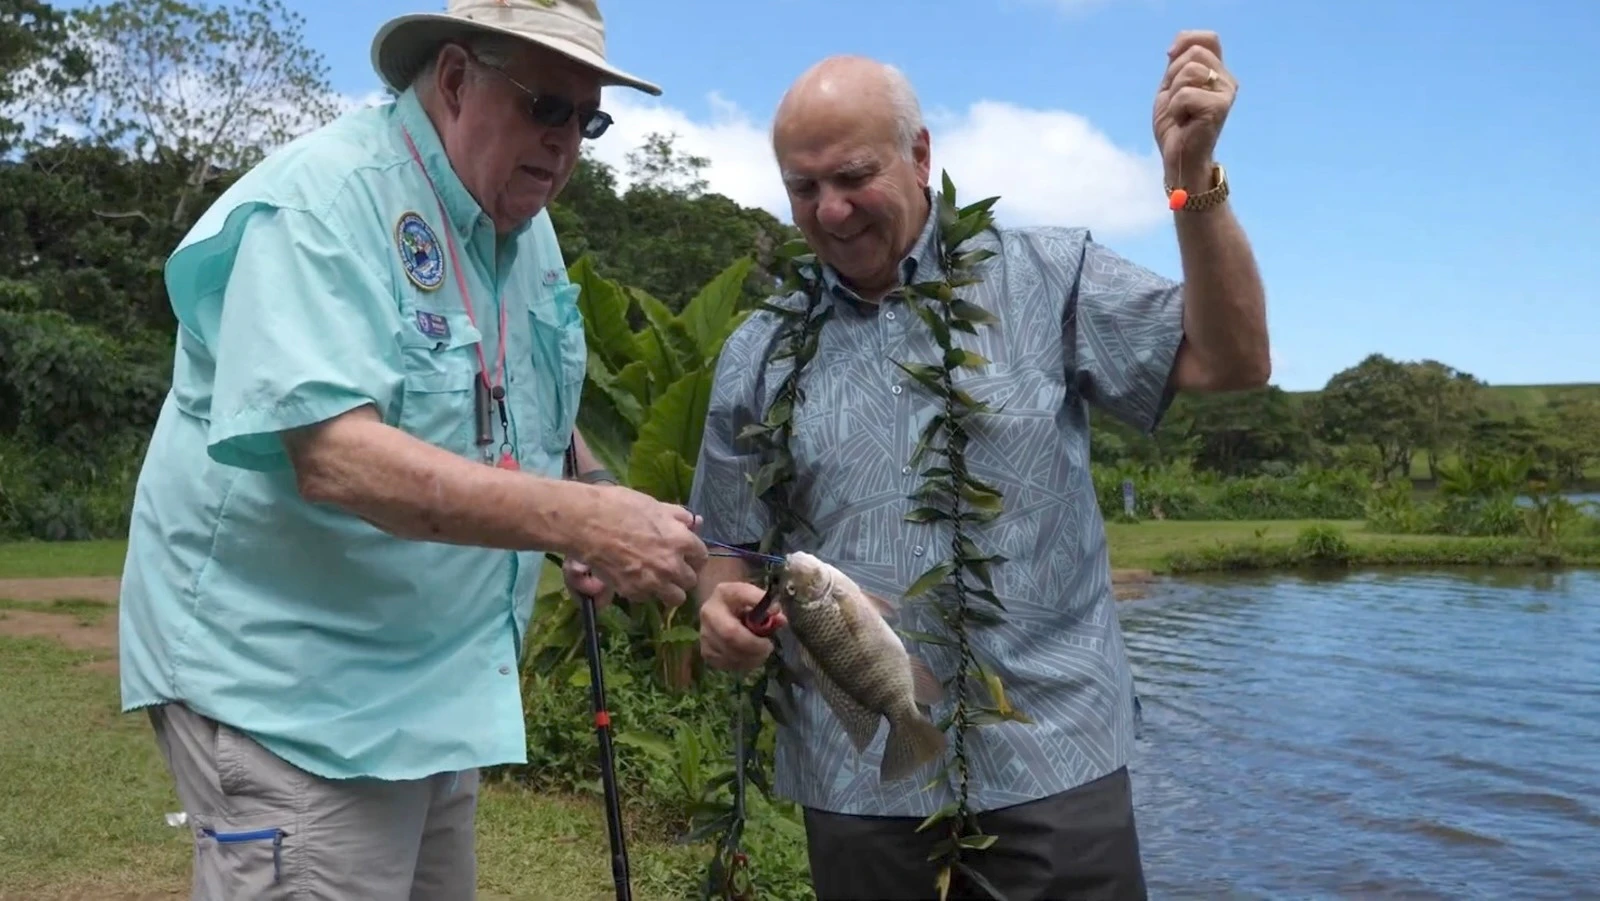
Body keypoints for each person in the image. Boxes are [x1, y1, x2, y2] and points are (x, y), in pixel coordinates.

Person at [115, 1, 704, 897]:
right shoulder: (324, 202)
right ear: (458, 79)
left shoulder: (521, 225)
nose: (567, 143)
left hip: (429, 685)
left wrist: (595, 494)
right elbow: (336, 457)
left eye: (589, 120)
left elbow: (515, 394)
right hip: (291, 689)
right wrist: (583, 517)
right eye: (548, 105)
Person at [692, 35, 1267, 901]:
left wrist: (1195, 181)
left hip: (1053, 760)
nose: (832, 211)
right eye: (803, 189)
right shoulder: (758, 350)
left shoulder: (1046, 277)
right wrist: (716, 604)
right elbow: (726, 541)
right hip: (857, 773)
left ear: (920, 155)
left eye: (853, 177)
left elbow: (1233, 360)